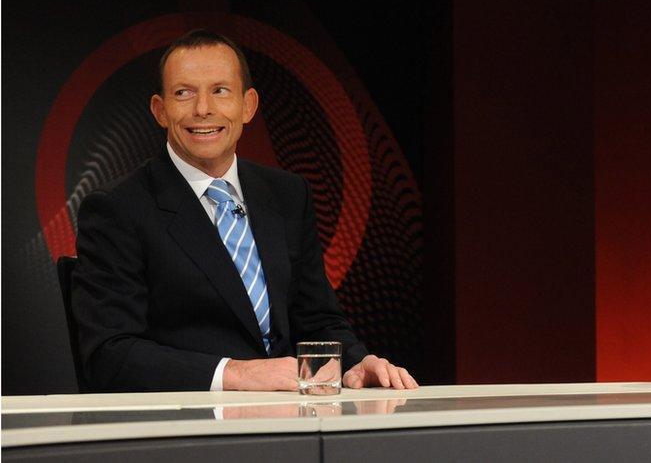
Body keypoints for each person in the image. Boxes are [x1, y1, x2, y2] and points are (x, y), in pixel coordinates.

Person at [72, 29, 418, 392]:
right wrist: (237, 374)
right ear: (160, 110)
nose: (203, 108)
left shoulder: (287, 194)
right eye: (183, 93)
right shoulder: (118, 209)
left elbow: (316, 319)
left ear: (248, 105)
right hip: (189, 429)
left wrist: (356, 363)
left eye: (220, 91)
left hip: (291, 419)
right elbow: (109, 355)